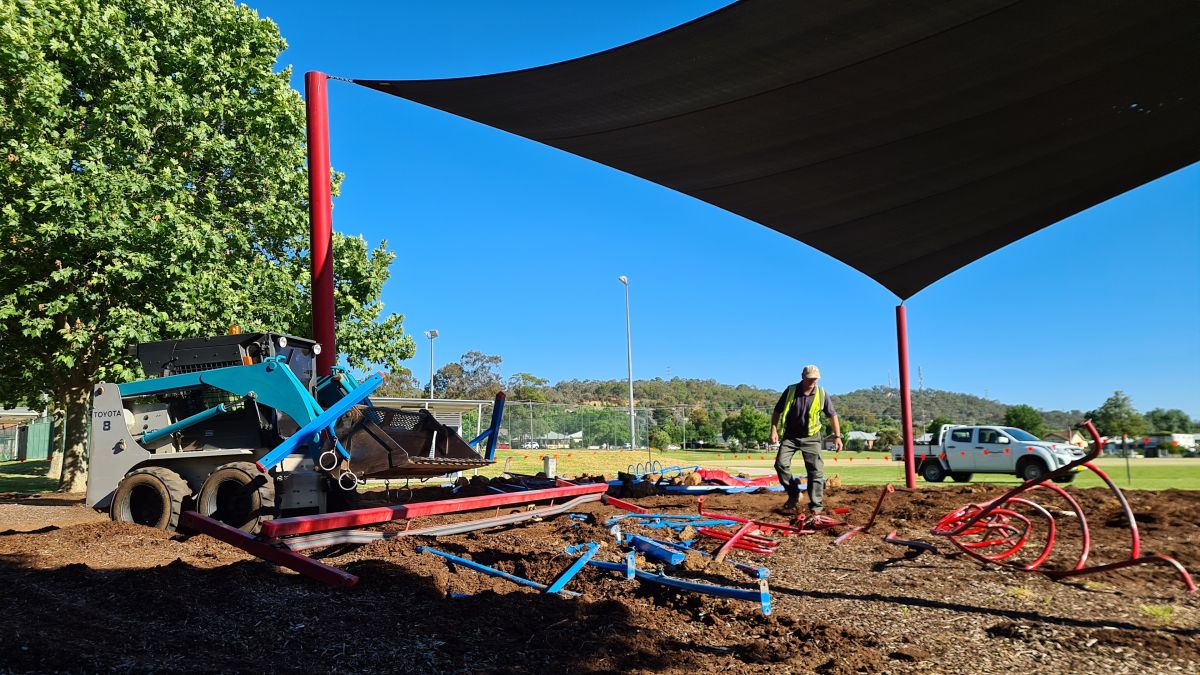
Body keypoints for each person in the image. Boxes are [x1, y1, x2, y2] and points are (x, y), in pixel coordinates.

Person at [770, 364, 842, 514]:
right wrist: (774, 429)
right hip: (790, 437)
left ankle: (816, 506)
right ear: (802, 377)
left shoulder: (822, 394)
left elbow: (832, 415)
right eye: (810, 379)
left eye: (815, 379)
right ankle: (794, 493)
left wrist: (837, 437)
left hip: (811, 438)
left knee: (815, 471)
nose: (813, 382)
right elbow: (777, 410)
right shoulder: (790, 391)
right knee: (780, 465)